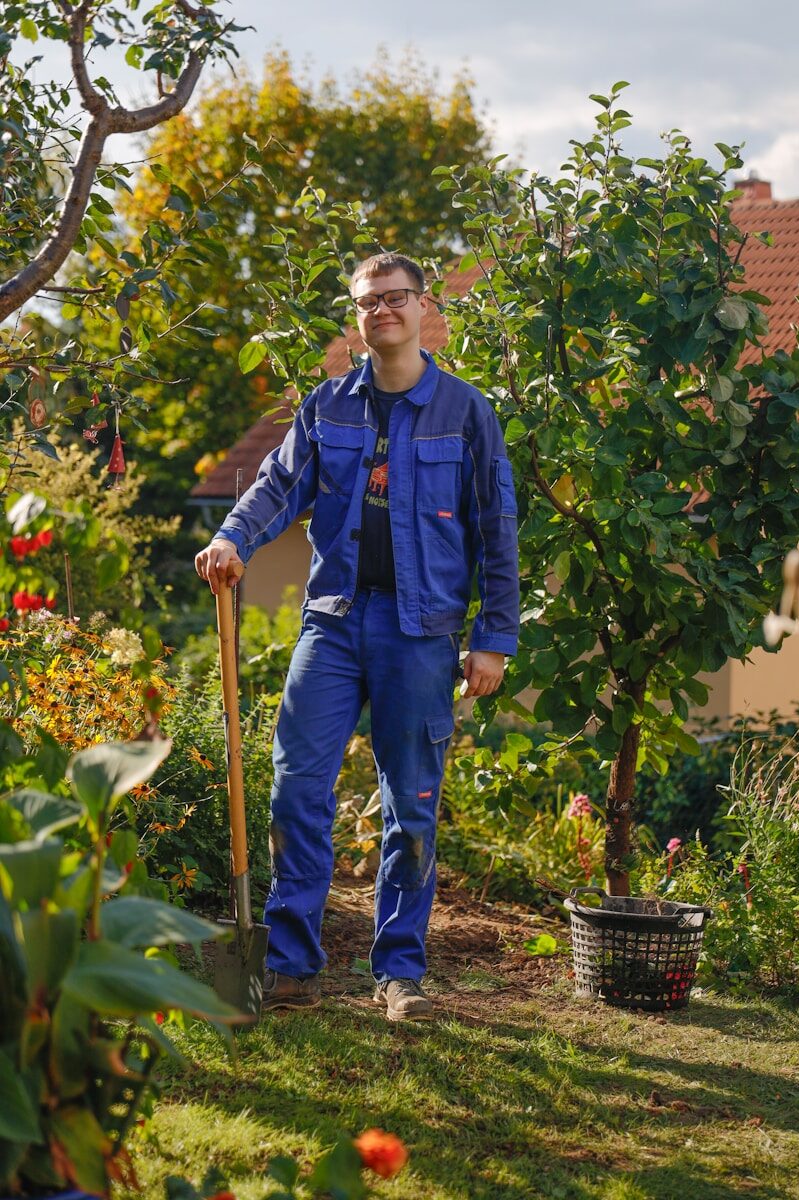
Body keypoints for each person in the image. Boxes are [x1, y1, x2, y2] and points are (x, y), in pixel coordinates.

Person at [195, 252, 519, 1022]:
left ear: (423, 307)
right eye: (369, 302)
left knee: (412, 805)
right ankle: (293, 968)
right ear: (357, 317)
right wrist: (234, 538)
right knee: (296, 789)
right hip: (334, 622)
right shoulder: (329, 406)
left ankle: (400, 975)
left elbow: (496, 530)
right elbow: (278, 484)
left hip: (423, 633)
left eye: (396, 298)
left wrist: (493, 637)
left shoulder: (467, 414)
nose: (383, 311)